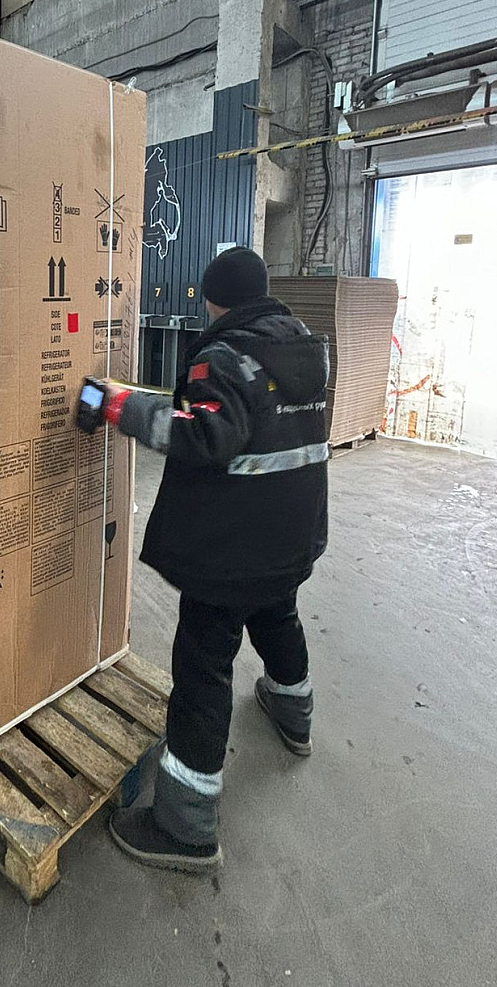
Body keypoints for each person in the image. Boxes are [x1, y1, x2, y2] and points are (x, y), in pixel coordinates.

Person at [102, 246, 329, 872]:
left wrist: (119, 406)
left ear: (214, 300)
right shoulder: (305, 349)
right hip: (291, 535)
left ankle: (186, 826)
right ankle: (294, 713)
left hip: (233, 549)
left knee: (204, 665)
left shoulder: (224, 359)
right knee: (277, 614)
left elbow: (201, 435)